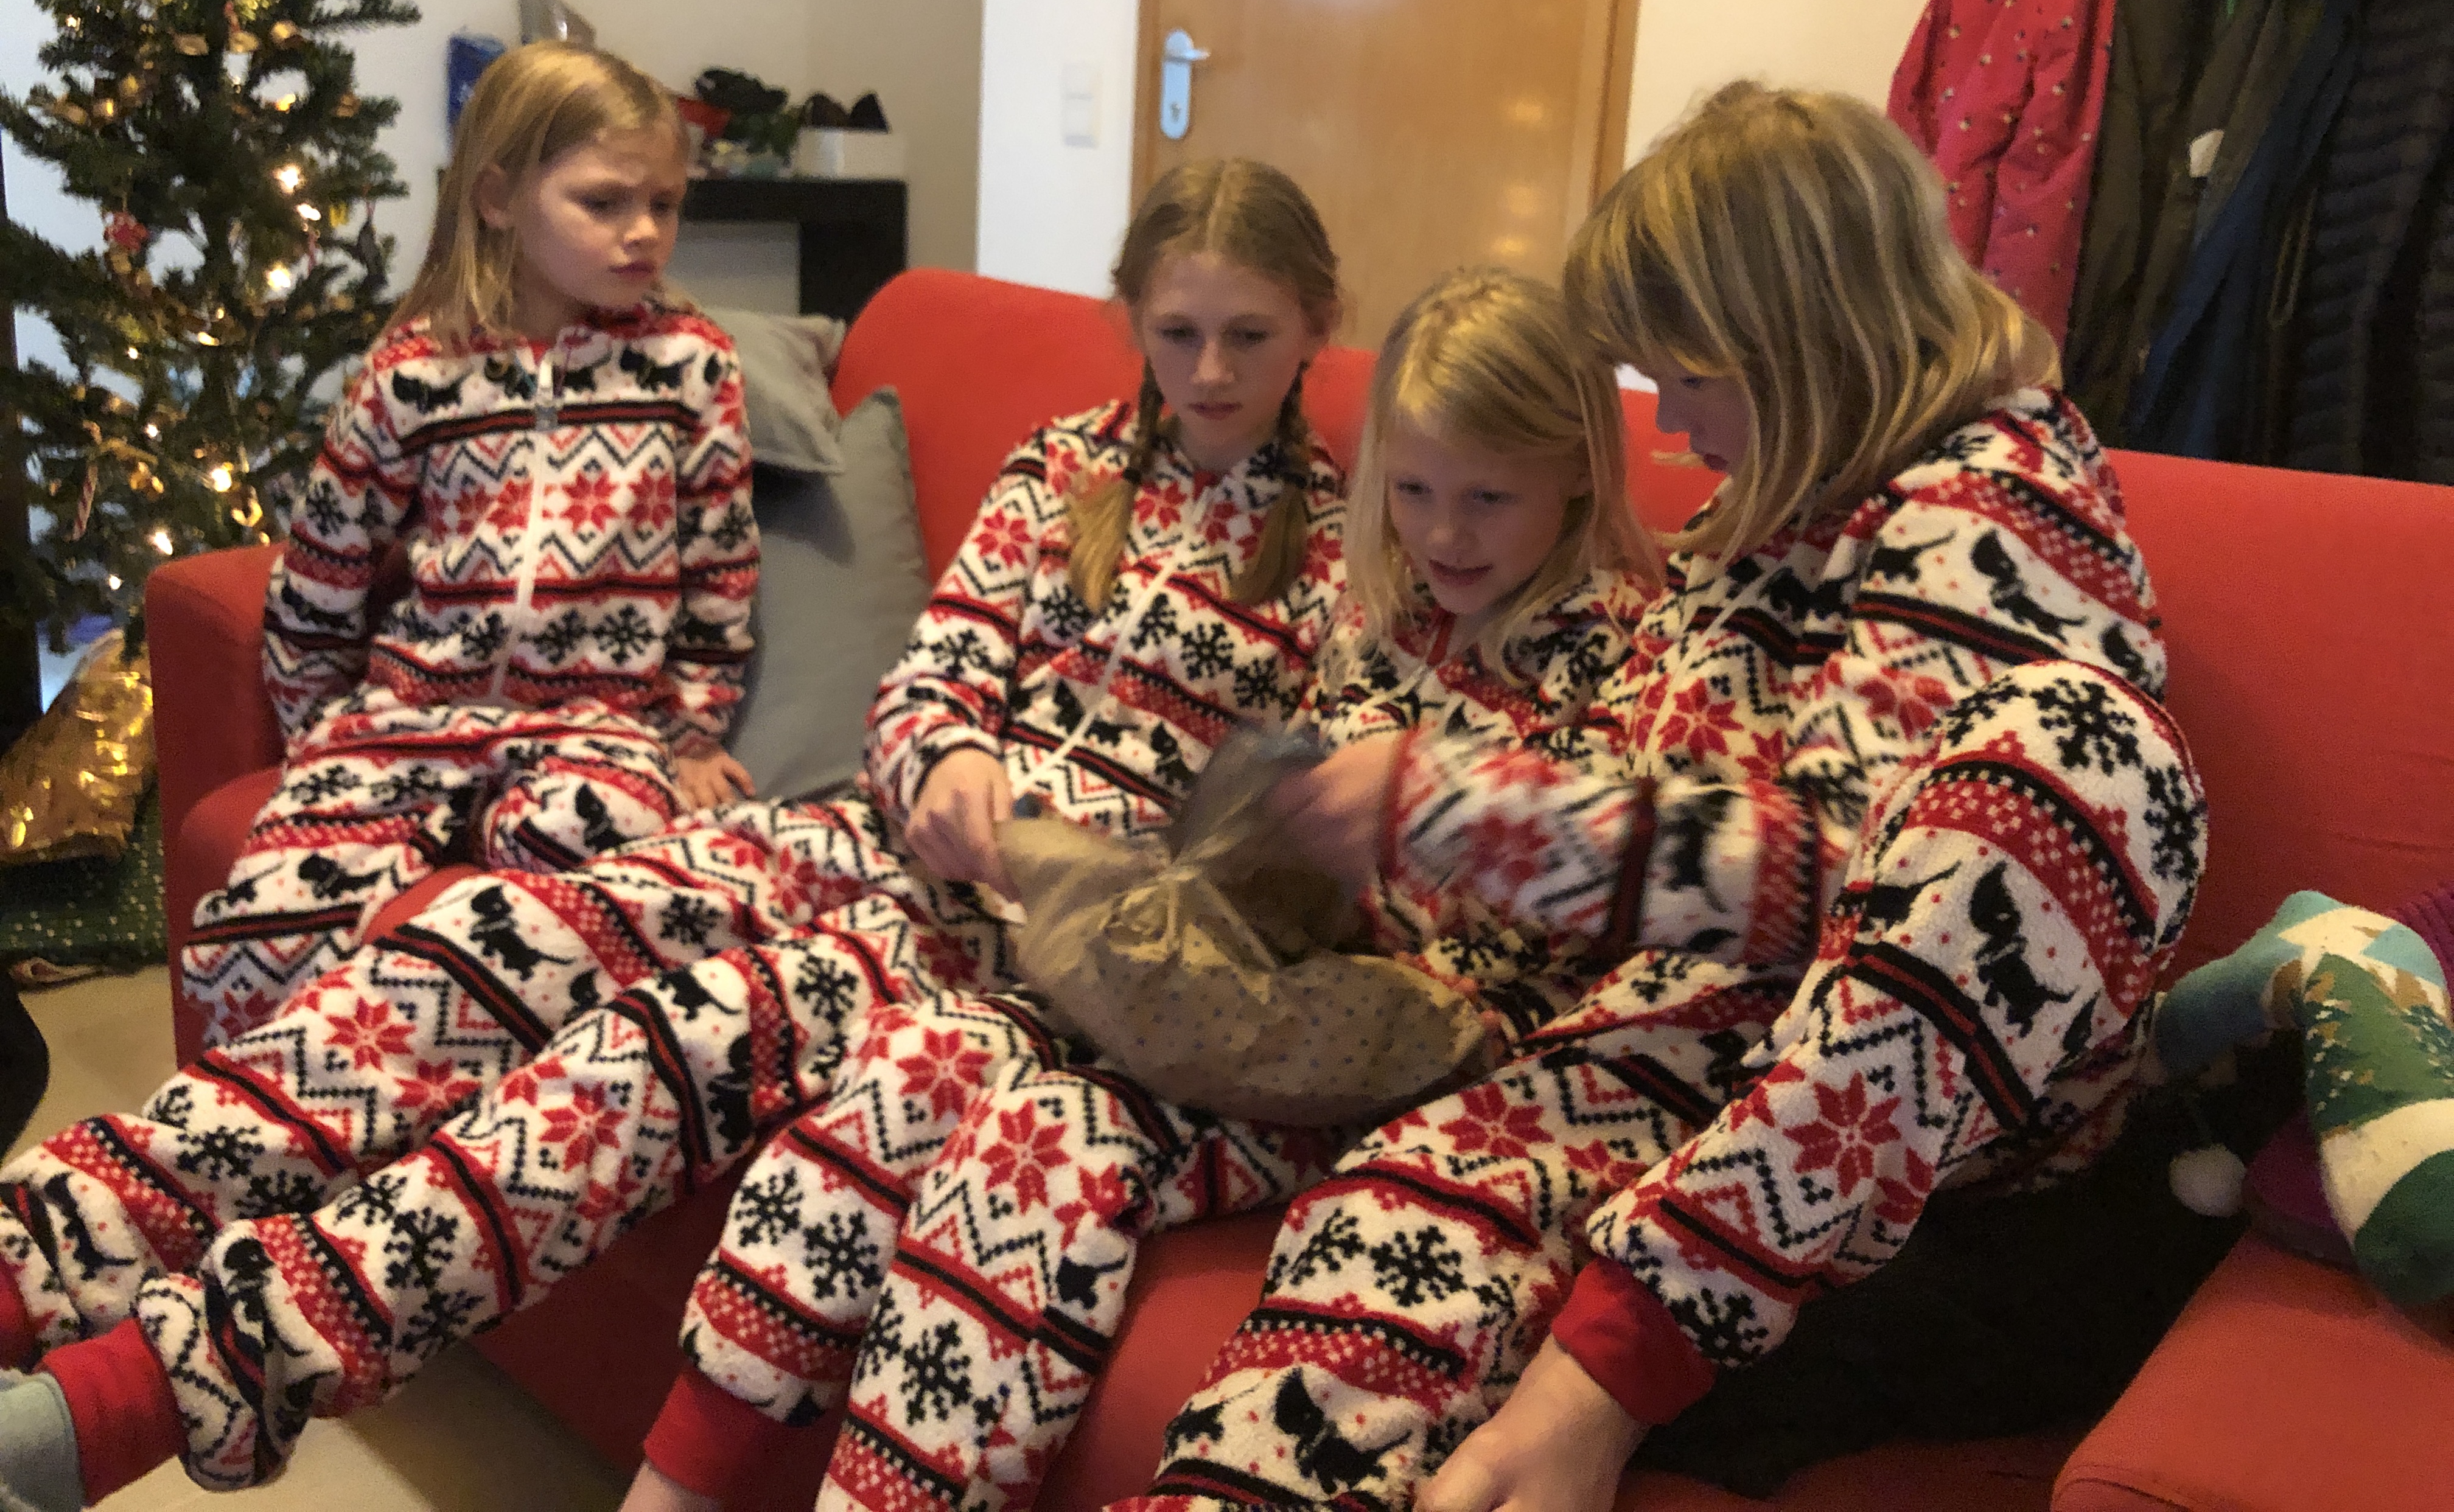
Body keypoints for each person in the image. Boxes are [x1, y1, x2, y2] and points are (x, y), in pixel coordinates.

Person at [0, 159, 1348, 1507]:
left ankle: (139, 1399)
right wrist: (941, 751)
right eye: (1179, 331)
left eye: (1250, 335)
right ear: (1131, 316)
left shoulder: (1348, 554)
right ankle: (34, 1261)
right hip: (869, 838)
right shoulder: (1059, 467)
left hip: (1036, 955)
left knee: (635, 1067)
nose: (1211, 371)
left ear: (1315, 329)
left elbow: (1290, 857)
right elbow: (935, 672)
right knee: (496, 937)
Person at [1123, 80, 2208, 1512]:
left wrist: (1451, 809)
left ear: (1802, 344)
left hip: (1887, 1119)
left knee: (1409, 1234)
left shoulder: (1994, 520)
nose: (1677, 428)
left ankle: (1593, 1376)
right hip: (1670, 1043)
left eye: (1690, 381)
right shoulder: (1789, 504)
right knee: (1372, 1243)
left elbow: (1850, 889)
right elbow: (1661, 805)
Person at [626, 263, 1657, 1512]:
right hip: (1252, 988)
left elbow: (1595, 919)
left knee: (1044, 1151)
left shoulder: (1630, 661)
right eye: (1415, 492)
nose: (1445, 535)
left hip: (1406, 1056)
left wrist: (1423, 832)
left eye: (1489, 498)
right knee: (912, 1068)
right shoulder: (1377, 607)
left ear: (1579, 473)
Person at [184, 40, 758, 1045]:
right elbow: (324, 564)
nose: (644, 232)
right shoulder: (416, 370)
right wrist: (317, 723)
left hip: (596, 724)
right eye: (604, 202)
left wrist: (694, 727)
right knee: (260, 935)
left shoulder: (691, 365)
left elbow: (721, 562)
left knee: (606, 887)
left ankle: (479, 1063)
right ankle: (275, 1113)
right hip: (411, 716)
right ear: (497, 199)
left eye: (664, 204)